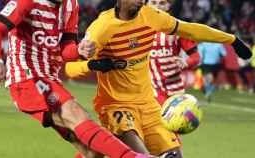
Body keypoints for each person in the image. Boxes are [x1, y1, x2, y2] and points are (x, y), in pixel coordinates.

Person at [66, 0, 252, 157]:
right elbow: (69, 68)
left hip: (149, 106)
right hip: (116, 106)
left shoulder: (151, 16)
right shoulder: (102, 27)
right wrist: (93, 65)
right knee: (139, 155)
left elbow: (190, 30)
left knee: (176, 154)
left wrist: (231, 40)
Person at [0, 0, 156, 158]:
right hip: (27, 78)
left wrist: (80, 51)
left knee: (92, 152)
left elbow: (66, 50)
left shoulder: (71, 5)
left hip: (50, 79)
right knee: (76, 114)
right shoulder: (27, 2)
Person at [147, 0, 200, 105]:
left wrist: (186, 62)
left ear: (168, 6)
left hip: (174, 92)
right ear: (146, 5)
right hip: (149, 91)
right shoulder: (135, 28)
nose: (157, 6)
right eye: (153, 3)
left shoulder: (178, 28)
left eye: (162, 3)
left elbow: (196, 57)